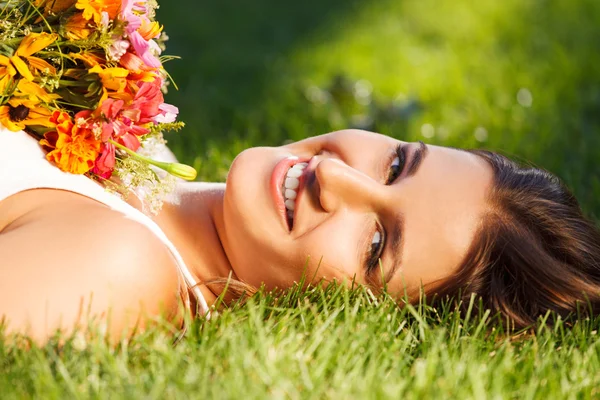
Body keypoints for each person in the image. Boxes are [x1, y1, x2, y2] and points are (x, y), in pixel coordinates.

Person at [1, 127, 599, 342]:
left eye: (375, 245)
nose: (334, 176)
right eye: (395, 165)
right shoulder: (139, 129)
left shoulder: (119, 269)